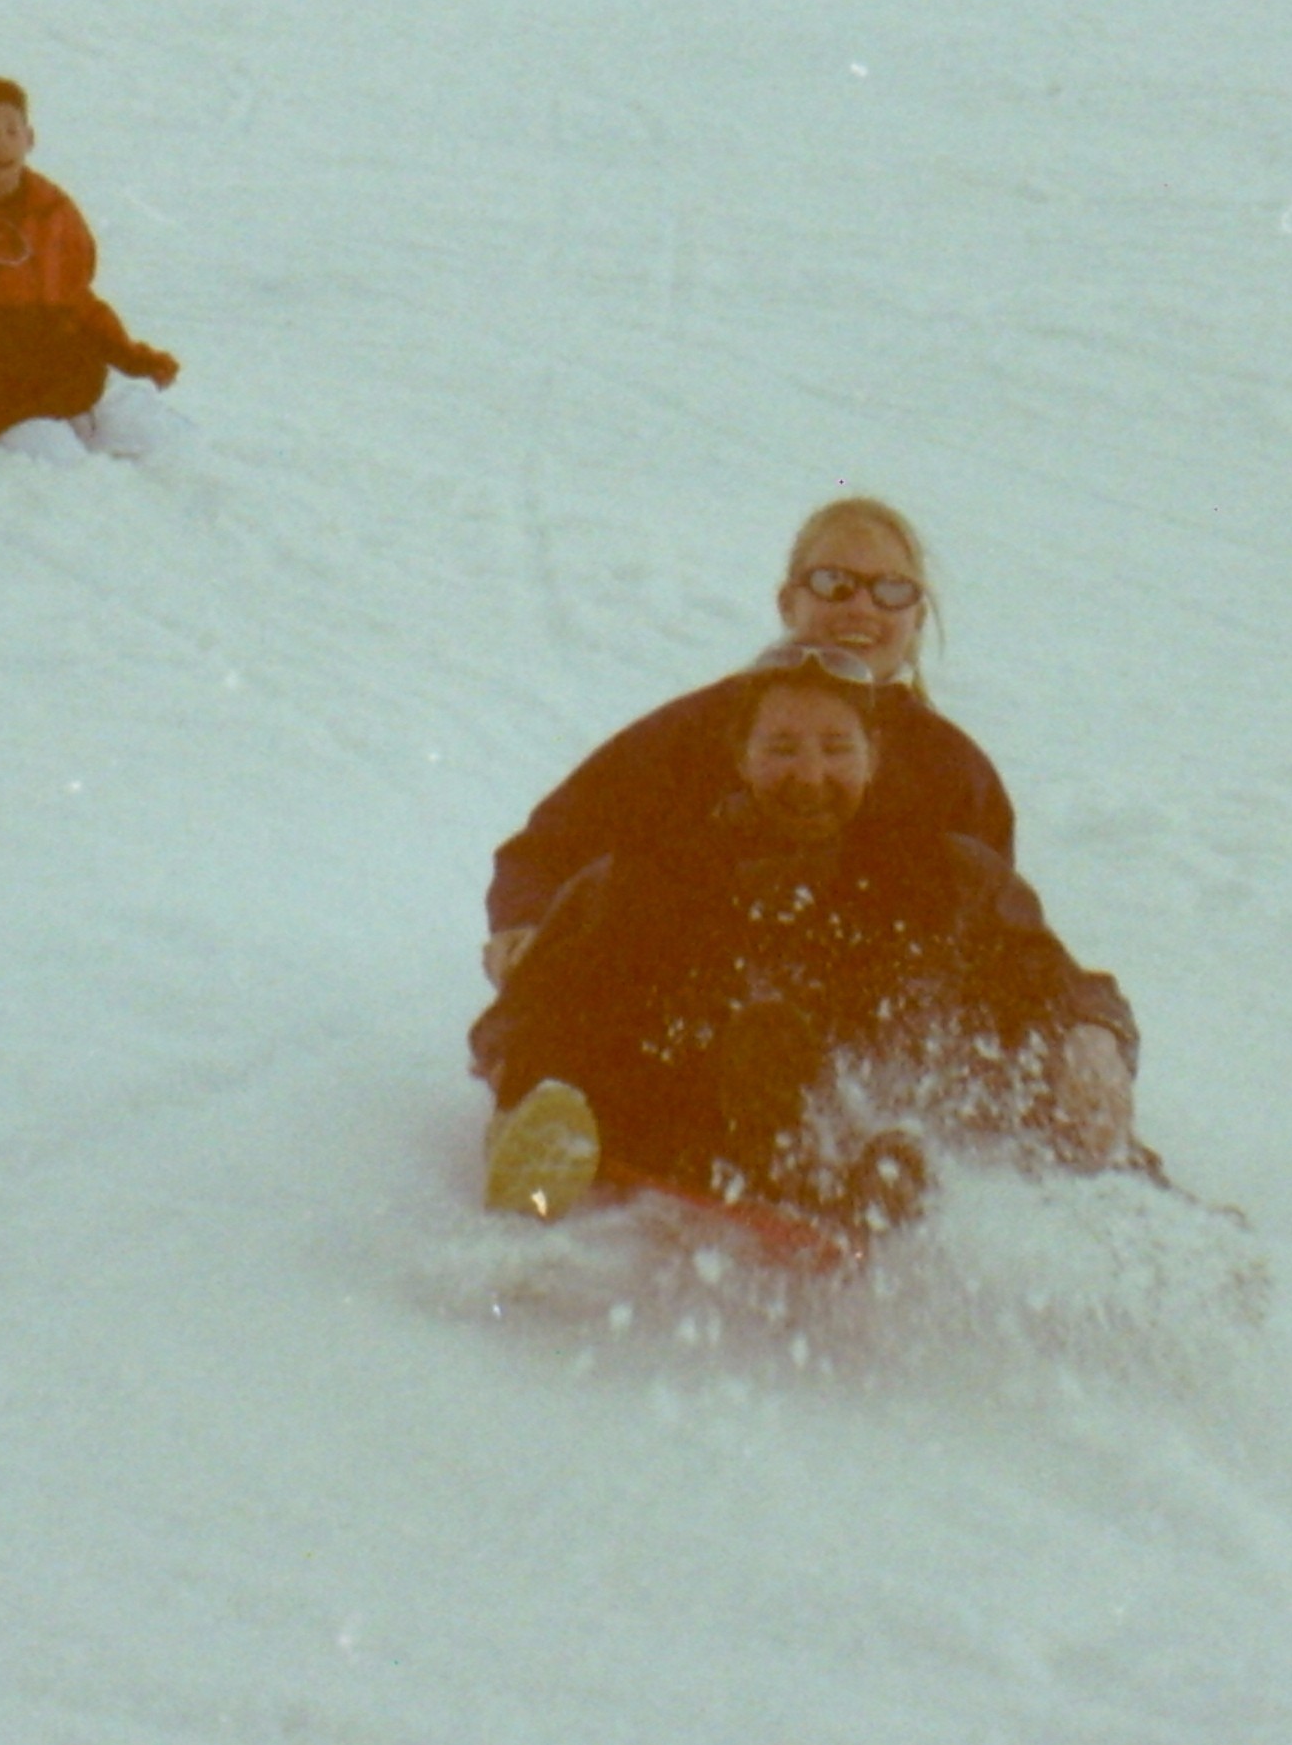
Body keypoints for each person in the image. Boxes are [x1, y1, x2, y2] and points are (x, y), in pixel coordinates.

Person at [469, 643, 1138, 1232]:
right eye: (782, 749)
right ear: (742, 759)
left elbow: (1050, 976)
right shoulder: (653, 873)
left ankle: (887, 1181)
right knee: (758, 1039)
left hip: (871, 1116)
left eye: (837, 749)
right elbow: (529, 1009)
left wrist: (1093, 1035)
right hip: (692, 1118)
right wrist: (519, 1089)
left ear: (873, 758)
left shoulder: (942, 871)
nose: (810, 776)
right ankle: (818, 1173)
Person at [479, 499, 1009, 987]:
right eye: (834, 583)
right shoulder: (698, 729)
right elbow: (548, 848)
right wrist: (523, 926)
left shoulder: (952, 769)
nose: (863, 608)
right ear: (788, 602)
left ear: (917, 615)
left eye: (892, 590)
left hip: (876, 1019)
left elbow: (999, 926)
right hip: (691, 1007)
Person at [0, 77, 181, 445]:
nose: (2, 145)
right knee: (60, 466)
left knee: (162, 441)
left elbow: (79, 300)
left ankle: (92, 421)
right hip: (5, 396)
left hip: (77, 377)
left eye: (12, 131)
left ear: (30, 137)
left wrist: (132, 359)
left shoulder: (53, 210)